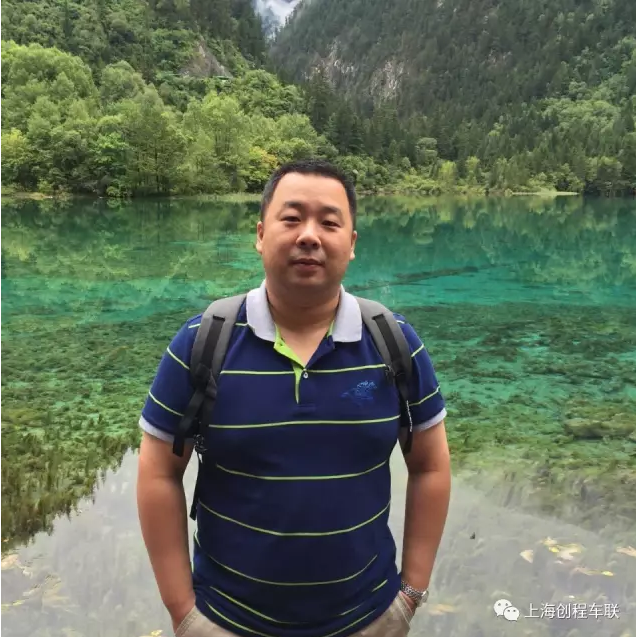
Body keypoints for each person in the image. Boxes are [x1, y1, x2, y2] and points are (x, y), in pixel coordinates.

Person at [136, 159, 451, 637]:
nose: (309, 236)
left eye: (329, 222)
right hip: (226, 621)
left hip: (369, 618)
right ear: (261, 235)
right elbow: (159, 472)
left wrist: (410, 596)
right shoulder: (203, 342)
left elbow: (430, 465)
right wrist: (183, 612)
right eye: (291, 218)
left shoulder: (394, 342)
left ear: (352, 243)